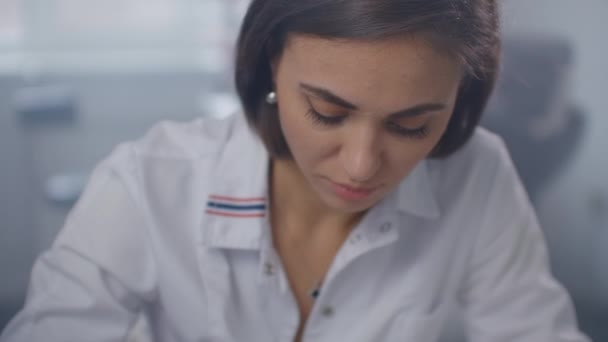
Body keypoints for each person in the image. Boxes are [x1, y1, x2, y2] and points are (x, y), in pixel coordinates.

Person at [1, 0, 590, 341]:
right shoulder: (149, 182)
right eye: (327, 112)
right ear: (270, 64)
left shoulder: (478, 176)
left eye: (411, 126)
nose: (361, 167)